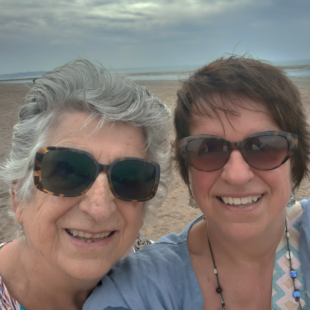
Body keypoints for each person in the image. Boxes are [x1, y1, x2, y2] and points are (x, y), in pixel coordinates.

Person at [84, 56, 310, 310]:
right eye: (208, 149)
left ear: (295, 159)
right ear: (187, 167)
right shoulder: (138, 290)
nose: (236, 175)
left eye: (265, 147)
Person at [0, 59, 172, 309]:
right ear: (18, 195)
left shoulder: (168, 282)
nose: (99, 208)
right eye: (68, 172)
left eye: (128, 178)